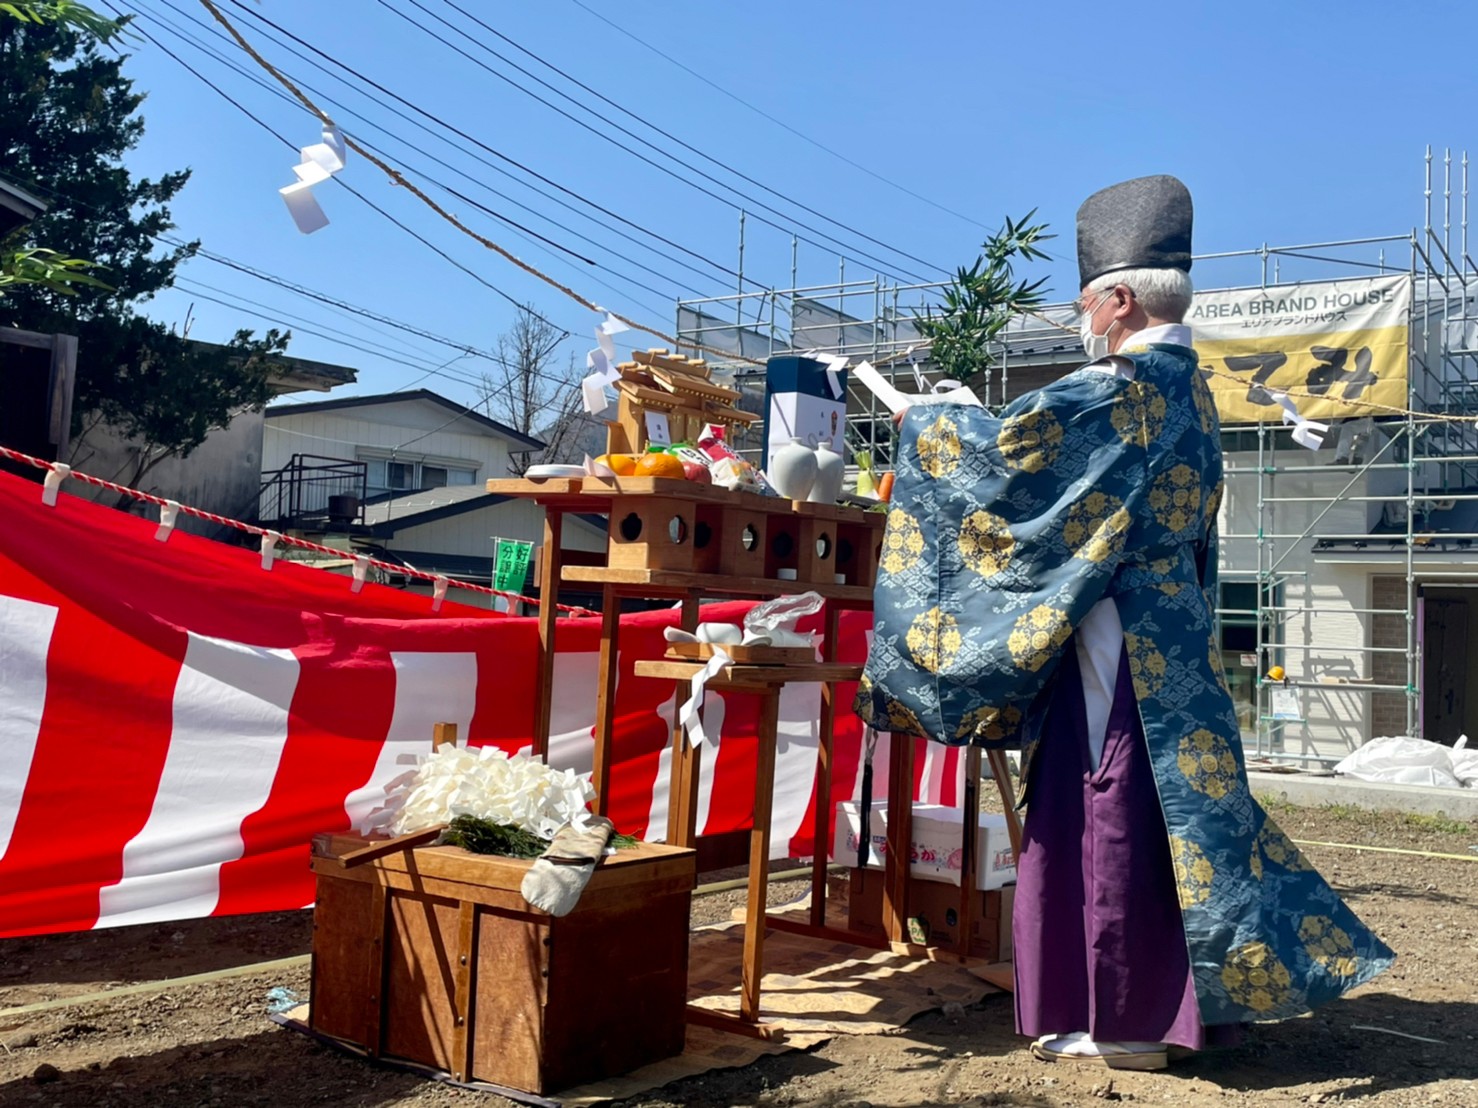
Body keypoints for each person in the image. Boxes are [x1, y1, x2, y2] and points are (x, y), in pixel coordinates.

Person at [856, 175, 1392, 1071]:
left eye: (1084, 304)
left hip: (1120, 630)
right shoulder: (1189, 389)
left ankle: (1130, 1020)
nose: (1080, 320)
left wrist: (923, 423)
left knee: (1113, 801)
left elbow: (1001, 463)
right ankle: (1161, 1008)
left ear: (1119, 299)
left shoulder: (1121, 389)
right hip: (1167, 623)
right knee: (1164, 804)